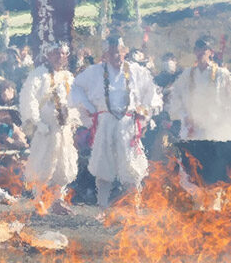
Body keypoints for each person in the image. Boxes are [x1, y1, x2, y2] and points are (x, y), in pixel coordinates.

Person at [69, 35, 162, 208]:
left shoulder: (137, 71)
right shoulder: (95, 71)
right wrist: (88, 106)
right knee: (103, 165)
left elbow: (152, 94)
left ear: (125, 52)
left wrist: (145, 110)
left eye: (119, 52)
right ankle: (103, 207)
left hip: (128, 124)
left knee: (132, 165)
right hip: (105, 123)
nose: (116, 56)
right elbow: (76, 87)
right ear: (105, 55)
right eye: (112, 53)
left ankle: (135, 206)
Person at [19, 42, 78, 214]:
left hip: (63, 129)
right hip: (45, 129)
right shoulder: (38, 75)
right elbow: (28, 99)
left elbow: (75, 101)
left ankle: (58, 201)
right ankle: (38, 200)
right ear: (48, 55)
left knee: (64, 165)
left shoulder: (69, 77)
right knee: (42, 164)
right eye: (56, 53)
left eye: (63, 54)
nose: (59, 57)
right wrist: (37, 123)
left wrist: (72, 119)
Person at [168, 35, 231, 188]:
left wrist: (221, 118)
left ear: (211, 52)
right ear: (195, 52)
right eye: (198, 48)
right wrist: (184, 116)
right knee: (191, 166)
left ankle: (213, 205)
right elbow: (176, 97)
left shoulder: (222, 74)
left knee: (214, 167)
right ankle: (196, 203)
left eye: (204, 48)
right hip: (193, 129)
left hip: (214, 129)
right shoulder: (187, 74)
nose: (201, 51)